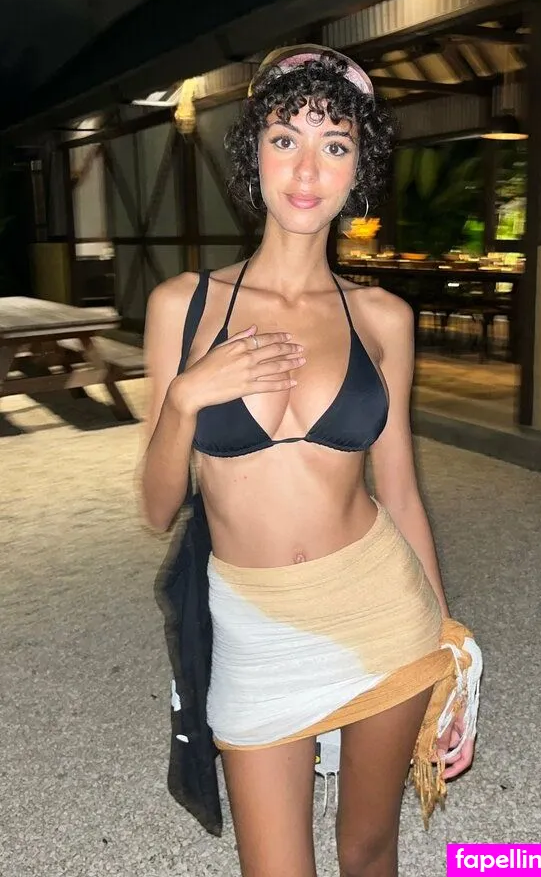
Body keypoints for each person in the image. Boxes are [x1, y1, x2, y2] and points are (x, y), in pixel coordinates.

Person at [141, 45, 482, 877]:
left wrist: (451, 652)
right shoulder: (184, 306)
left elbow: (400, 492)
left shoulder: (382, 318)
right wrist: (186, 398)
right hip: (254, 625)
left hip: (381, 612)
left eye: (335, 145)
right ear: (252, 150)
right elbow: (156, 509)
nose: (306, 169)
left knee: (367, 851)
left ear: (359, 168)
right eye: (284, 138)